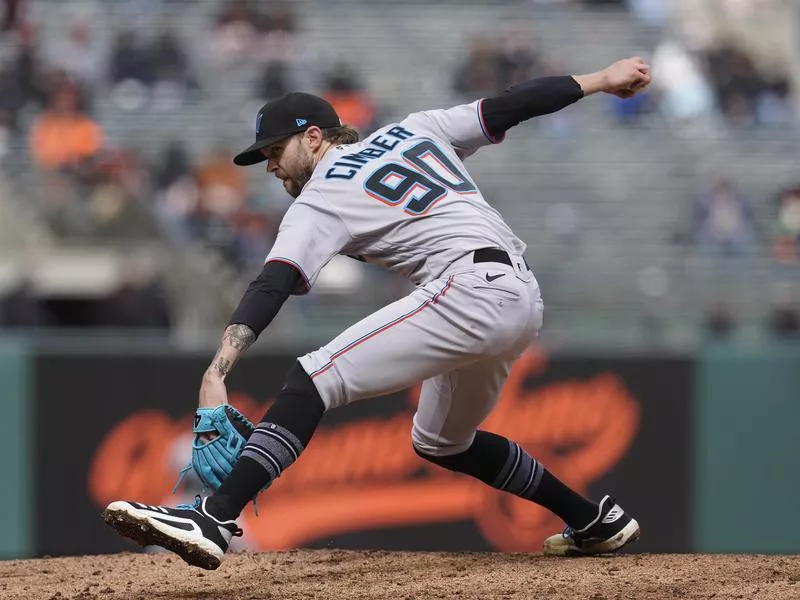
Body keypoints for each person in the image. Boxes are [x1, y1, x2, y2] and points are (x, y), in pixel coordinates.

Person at [103, 57, 652, 569]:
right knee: (441, 442)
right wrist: (601, 79)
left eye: (275, 150)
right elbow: (510, 104)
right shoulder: (414, 129)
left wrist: (217, 368)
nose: (269, 165)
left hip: (469, 289)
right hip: (520, 296)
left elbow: (274, 282)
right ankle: (590, 518)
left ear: (314, 137)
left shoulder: (318, 195)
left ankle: (214, 517)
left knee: (314, 378)